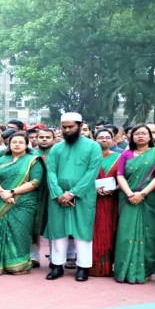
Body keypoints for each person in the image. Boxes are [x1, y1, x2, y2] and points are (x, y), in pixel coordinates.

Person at [44, 112, 102, 282]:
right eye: (64, 127)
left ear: (80, 126)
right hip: (58, 197)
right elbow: (51, 172)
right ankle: (57, 265)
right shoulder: (56, 148)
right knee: (58, 230)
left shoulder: (93, 147)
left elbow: (92, 173)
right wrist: (58, 193)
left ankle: (83, 267)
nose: (67, 130)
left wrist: (73, 193)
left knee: (82, 231)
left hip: (83, 196)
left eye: (71, 127)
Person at [113, 124, 155, 284]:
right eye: (137, 134)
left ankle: (145, 271)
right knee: (125, 234)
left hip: (150, 199)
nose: (140, 136)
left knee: (149, 235)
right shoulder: (126, 154)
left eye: (144, 133)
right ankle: (123, 272)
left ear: (151, 137)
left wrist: (142, 194)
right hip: (128, 198)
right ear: (131, 137)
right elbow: (120, 175)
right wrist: (130, 193)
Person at [0, 131, 44, 275]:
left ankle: (18, 265)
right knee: (0, 232)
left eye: (21, 142)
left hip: (23, 203)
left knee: (20, 233)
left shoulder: (33, 160)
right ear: (9, 144)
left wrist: (11, 192)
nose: (17, 145)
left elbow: (35, 182)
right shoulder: (2, 159)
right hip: (2, 200)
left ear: (26, 145)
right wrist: (2, 193)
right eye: (14, 142)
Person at [91, 128, 120, 277]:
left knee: (109, 229)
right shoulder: (89, 157)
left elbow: (125, 177)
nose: (104, 139)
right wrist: (93, 189)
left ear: (113, 140)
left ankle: (107, 266)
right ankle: (91, 265)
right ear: (94, 140)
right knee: (93, 231)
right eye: (100, 137)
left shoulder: (120, 157)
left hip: (112, 200)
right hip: (91, 200)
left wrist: (115, 188)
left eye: (108, 137)